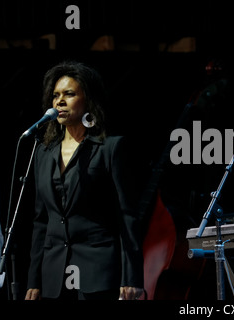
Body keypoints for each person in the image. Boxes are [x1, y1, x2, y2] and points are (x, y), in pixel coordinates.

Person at [25, 61, 144, 300]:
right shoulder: (43, 152)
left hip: (98, 271)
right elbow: (41, 221)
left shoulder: (110, 148)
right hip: (53, 275)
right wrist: (34, 280)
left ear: (88, 100)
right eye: (56, 95)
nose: (59, 101)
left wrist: (131, 276)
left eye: (69, 94)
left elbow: (127, 216)